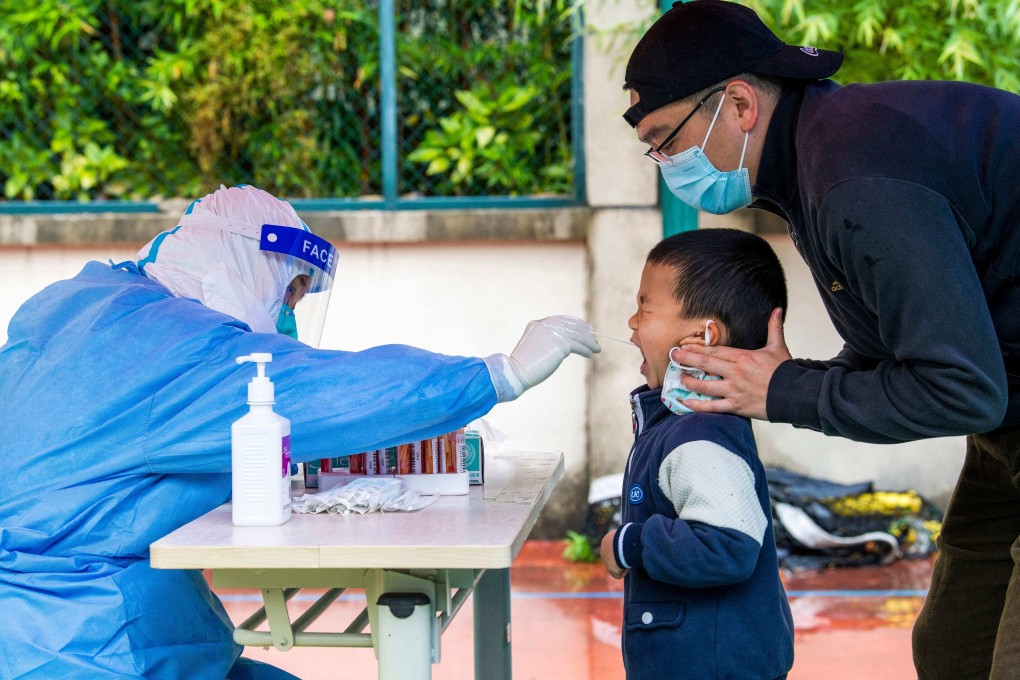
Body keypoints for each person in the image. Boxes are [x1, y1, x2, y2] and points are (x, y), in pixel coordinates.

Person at [0, 184, 600, 679]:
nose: (289, 313)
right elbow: (325, 391)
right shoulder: (176, 350)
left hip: (76, 614)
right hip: (86, 639)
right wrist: (497, 374)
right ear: (237, 261)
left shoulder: (91, 304)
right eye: (288, 290)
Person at [620, 1, 1020, 678]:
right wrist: (785, 379)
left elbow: (962, 388)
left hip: (998, 405)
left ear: (740, 104)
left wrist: (784, 390)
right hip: (1007, 426)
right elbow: (906, 357)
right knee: (956, 649)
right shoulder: (812, 167)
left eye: (666, 138)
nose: (665, 161)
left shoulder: (854, 175)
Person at [599, 228, 793, 680]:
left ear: (703, 337)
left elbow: (727, 545)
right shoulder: (680, 427)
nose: (631, 323)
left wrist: (629, 544)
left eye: (644, 308)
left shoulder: (698, 437)